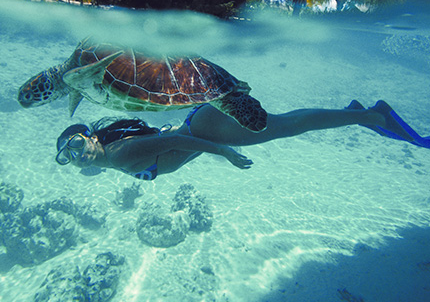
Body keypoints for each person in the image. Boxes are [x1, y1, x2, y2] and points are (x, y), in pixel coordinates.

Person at [56, 100, 430, 181]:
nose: (76, 156)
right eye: (67, 156)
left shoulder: (120, 155)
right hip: (200, 123)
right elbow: (168, 142)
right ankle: (356, 113)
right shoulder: (104, 159)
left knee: (290, 125)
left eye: (75, 144)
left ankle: (371, 116)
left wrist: (224, 153)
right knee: (288, 122)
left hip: (208, 131)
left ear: (90, 138)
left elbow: (183, 146)